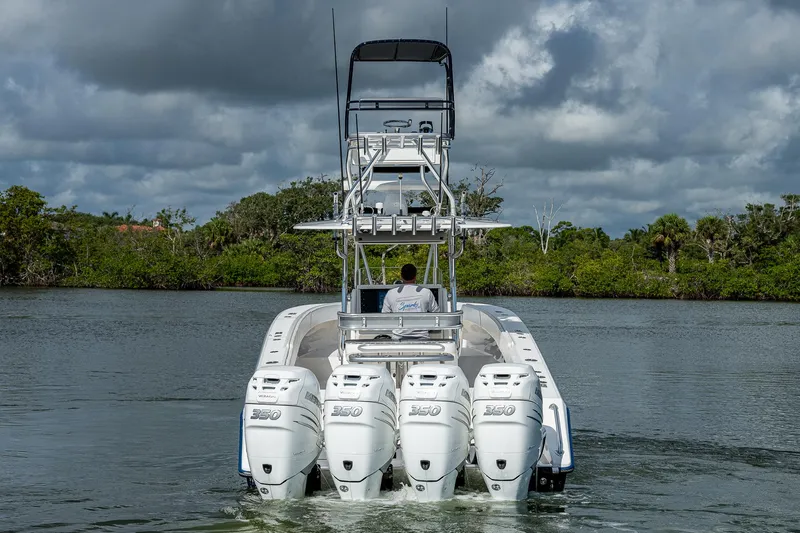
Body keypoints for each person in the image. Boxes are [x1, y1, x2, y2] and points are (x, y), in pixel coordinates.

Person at [381, 263, 439, 339]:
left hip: (398, 339)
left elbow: (385, 317)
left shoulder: (391, 293)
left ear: (401, 277)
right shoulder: (426, 292)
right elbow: (437, 314)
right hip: (422, 338)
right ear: (415, 277)